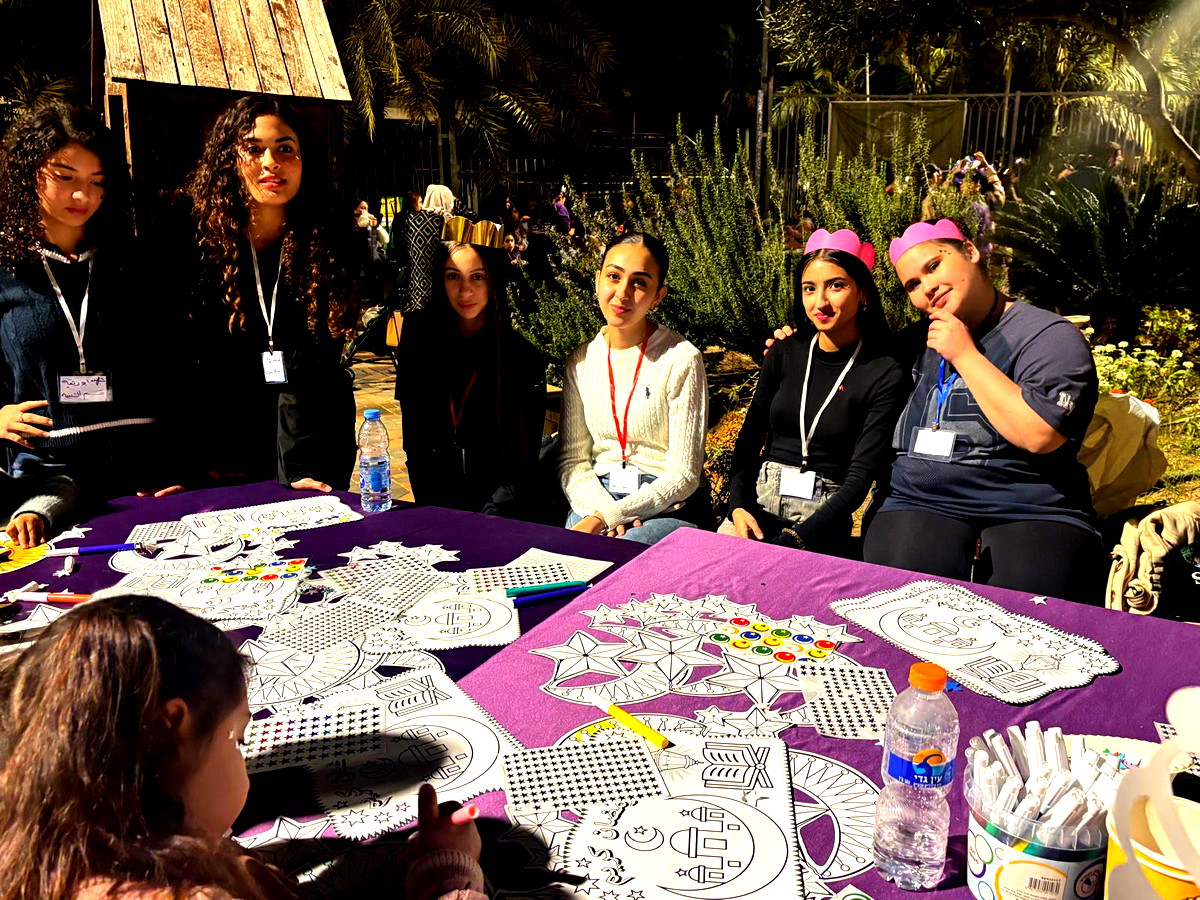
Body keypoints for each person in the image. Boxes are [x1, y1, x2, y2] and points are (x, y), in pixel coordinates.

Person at [0, 595, 485, 900]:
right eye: (236, 739)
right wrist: (449, 878)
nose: (246, 760)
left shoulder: (48, 839)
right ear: (171, 730)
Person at [863, 218, 1104, 604]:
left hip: (1031, 506)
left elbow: (1040, 435)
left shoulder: (1048, 336)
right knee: (905, 610)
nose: (928, 287)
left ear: (972, 252)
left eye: (934, 266)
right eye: (913, 285)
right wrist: (792, 350)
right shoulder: (910, 344)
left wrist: (964, 354)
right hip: (919, 500)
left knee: (1026, 618)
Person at [0, 102, 181, 507]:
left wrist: (182, 459)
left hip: (146, 477)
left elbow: (172, 366)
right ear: (28, 173)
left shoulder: (133, 262)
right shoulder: (6, 268)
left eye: (97, 181)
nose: (83, 195)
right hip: (45, 483)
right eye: (65, 177)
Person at [178, 96, 358, 491]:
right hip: (222, 454)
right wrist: (187, 459)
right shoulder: (196, 242)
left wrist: (299, 466)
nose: (271, 162)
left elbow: (319, 367)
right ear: (230, 158)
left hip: (313, 451)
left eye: (285, 149)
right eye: (254, 149)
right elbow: (180, 363)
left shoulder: (326, 241)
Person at [723, 229, 907, 555]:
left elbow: (860, 476)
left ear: (862, 292)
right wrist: (737, 507)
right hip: (753, 513)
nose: (820, 302)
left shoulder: (883, 371)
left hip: (820, 525)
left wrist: (794, 539)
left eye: (836, 286)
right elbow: (749, 440)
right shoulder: (785, 352)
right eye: (809, 288)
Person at [559, 232, 708, 544]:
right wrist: (599, 512)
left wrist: (610, 516)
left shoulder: (680, 359)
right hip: (594, 497)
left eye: (639, 283)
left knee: (616, 555)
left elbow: (683, 474)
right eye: (614, 276)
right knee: (574, 553)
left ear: (658, 295)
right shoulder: (581, 361)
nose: (622, 293)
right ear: (597, 280)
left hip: (663, 505)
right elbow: (573, 462)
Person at [397, 235, 545, 518]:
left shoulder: (522, 356)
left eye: (477, 277)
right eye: (453, 276)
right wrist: (435, 510)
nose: (465, 291)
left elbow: (523, 459)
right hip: (436, 502)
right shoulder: (420, 346)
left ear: (493, 280)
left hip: (500, 509)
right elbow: (415, 443)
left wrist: (491, 515)